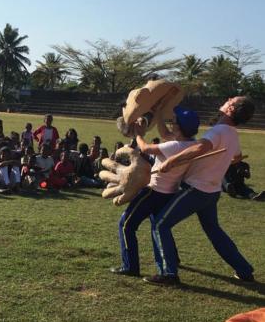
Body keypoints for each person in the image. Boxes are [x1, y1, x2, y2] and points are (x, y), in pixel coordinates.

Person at [148, 96, 256, 285]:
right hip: (212, 192)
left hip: (197, 190)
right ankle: (244, 270)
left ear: (231, 109)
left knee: (160, 225)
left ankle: (169, 273)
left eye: (231, 100)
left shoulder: (219, 130)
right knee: (214, 231)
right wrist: (220, 162)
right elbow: (237, 157)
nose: (228, 99)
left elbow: (200, 147)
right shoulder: (232, 133)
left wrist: (171, 161)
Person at [109, 106, 199, 277]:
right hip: (169, 192)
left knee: (126, 225)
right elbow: (164, 132)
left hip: (154, 191)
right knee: (159, 226)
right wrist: (158, 113)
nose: (171, 124)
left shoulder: (174, 145)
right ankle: (173, 259)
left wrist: (138, 133)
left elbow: (145, 149)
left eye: (174, 122)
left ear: (179, 127)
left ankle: (130, 266)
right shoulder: (192, 143)